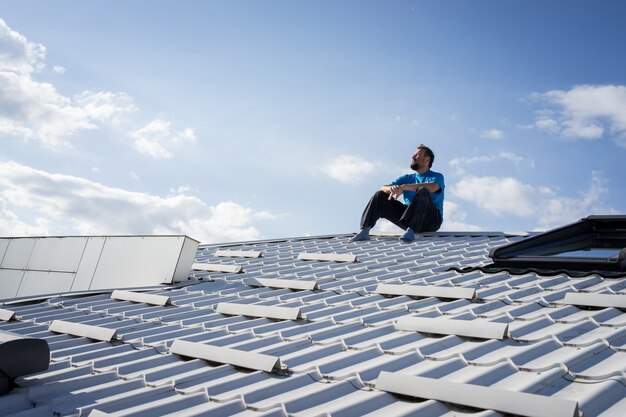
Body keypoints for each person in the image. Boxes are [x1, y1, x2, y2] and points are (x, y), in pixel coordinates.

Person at [350, 144, 444, 242]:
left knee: (423, 190)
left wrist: (405, 187)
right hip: (408, 218)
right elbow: (383, 188)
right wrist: (392, 188)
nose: (413, 157)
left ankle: (411, 230)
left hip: (430, 220)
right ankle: (364, 231)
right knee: (380, 195)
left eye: (417, 155)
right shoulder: (406, 178)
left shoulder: (437, 176)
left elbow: (432, 187)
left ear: (426, 160)